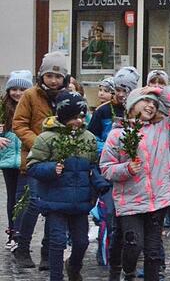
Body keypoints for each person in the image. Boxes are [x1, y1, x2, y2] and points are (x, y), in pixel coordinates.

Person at [100, 85, 170, 281]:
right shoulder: (117, 134)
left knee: (153, 250)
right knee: (133, 243)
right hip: (130, 200)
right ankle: (127, 271)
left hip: (158, 199)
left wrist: (161, 91)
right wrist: (126, 169)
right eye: (146, 101)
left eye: (154, 104)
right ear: (132, 105)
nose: (151, 105)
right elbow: (106, 167)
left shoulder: (163, 128)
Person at [26, 91, 111, 281]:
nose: (79, 121)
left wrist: (99, 185)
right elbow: (32, 166)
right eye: (73, 117)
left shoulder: (88, 138)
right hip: (55, 200)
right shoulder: (47, 138)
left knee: (81, 242)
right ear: (63, 117)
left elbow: (92, 166)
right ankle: (56, 276)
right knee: (57, 241)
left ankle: (73, 266)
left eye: (81, 116)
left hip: (80, 202)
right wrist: (50, 169)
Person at [12, 51, 69, 268]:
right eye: (49, 76)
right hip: (35, 159)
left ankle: (48, 252)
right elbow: (19, 124)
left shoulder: (68, 96)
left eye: (57, 76)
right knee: (33, 204)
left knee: (54, 206)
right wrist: (39, 144)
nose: (53, 80)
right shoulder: (30, 95)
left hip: (60, 161)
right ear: (41, 76)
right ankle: (23, 247)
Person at [88, 66, 140, 276]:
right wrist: (107, 146)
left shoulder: (138, 109)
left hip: (132, 172)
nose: (120, 94)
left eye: (125, 90)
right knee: (109, 215)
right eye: (117, 89)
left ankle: (129, 260)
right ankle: (109, 259)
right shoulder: (103, 111)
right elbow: (90, 139)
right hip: (107, 168)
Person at [0, 70, 33, 250]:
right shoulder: (3, 107)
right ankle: (12, 232)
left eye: (22, 89)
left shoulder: (30, 106)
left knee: (23, 197)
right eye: (14, 89)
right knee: (12, 197)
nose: (17, 93)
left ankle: (19, 233)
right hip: (7, 160)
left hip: (25, 159)